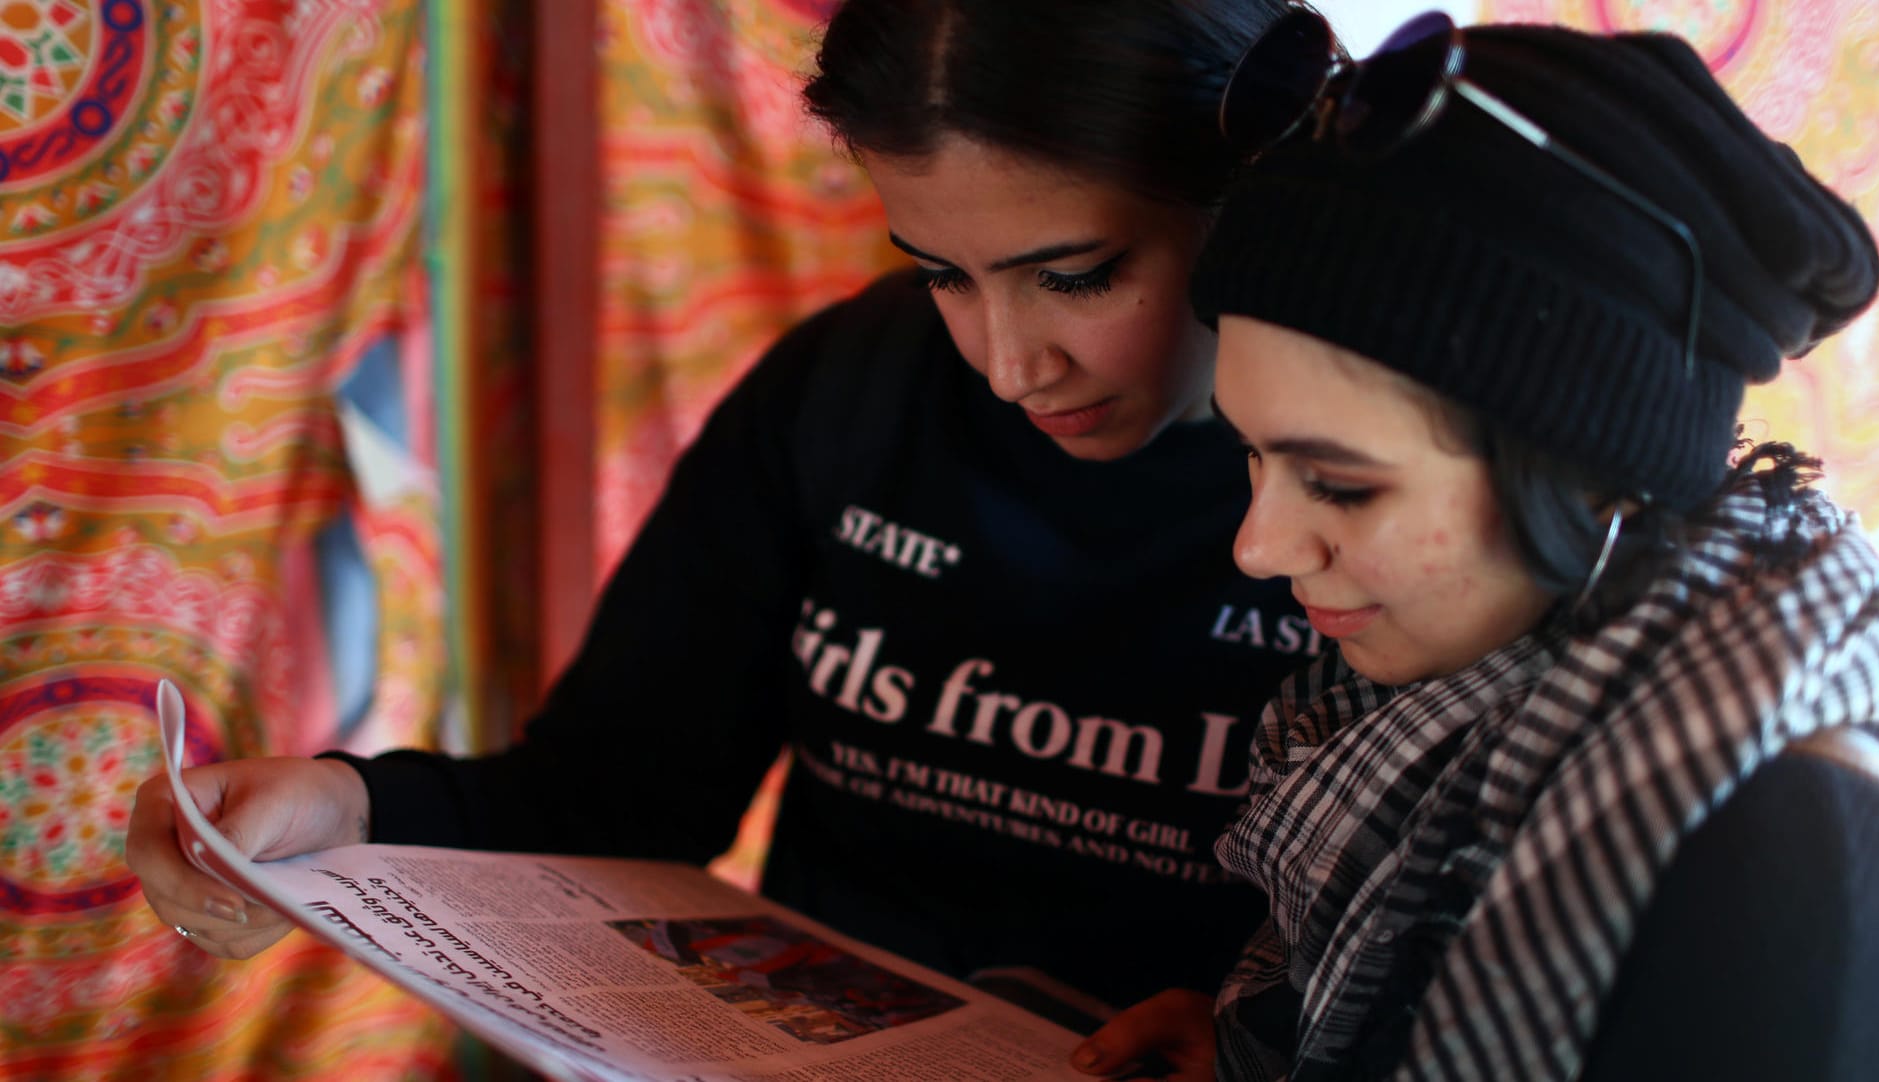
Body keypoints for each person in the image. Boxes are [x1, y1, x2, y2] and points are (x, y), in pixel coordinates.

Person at [127, 1, 1318, 1076]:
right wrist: (349, 812)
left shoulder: (1386, 488)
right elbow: (620, 788)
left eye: (1075, 277)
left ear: (1250, 193)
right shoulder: (851, 387)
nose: (1010, 366)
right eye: (943, 277)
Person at [1190, 10, 1879, 1081]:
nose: (1259, 546)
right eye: (1249, 453)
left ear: (1599, 476)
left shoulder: (1786, 855)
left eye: (1341, 484)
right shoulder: (1457, 706)